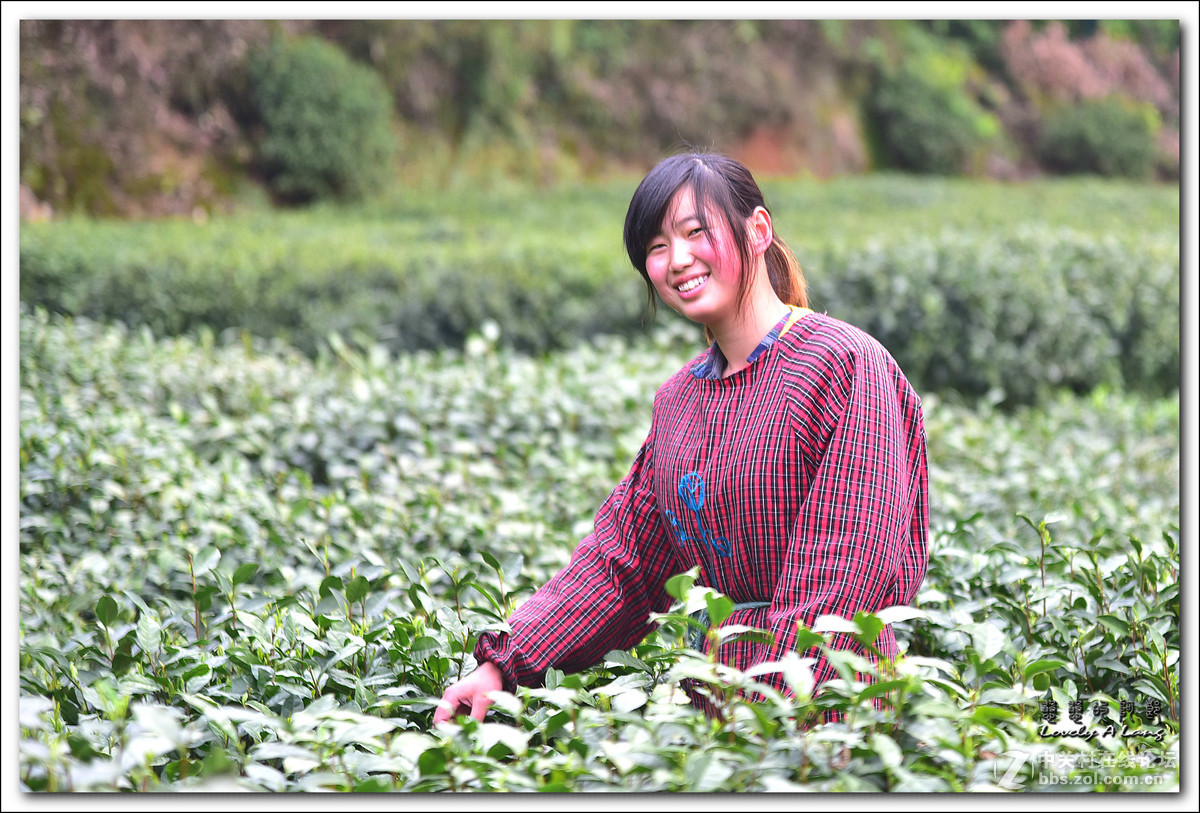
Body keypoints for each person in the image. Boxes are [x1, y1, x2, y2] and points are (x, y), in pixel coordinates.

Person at [433, 151, 929, 725]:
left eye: (696, 232)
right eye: (656, 246)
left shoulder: (844, 366)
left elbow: (844, 577)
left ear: (758, 231)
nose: (678, 260)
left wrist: (771, 722)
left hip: (829, 719)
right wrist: (505, 664)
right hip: (718, 721)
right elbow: (627, 563)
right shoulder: (679, 402)